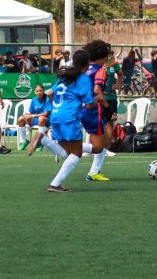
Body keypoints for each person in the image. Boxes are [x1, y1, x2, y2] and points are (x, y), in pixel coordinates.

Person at [28, 50, 93, 193]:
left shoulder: (64, 77)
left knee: (68, 154)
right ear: (87, 65)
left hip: (56, 116)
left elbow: (49, 93)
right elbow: (89, 104)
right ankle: (55, 184)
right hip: (69, 118)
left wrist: (57, 106)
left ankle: (43, 140)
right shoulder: (84, 79)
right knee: (76, 154)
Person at [79, 40, 112, 181]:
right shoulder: (100, 70)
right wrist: (107, 107)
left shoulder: (84, 68)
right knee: (98, 146)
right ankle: (61, 146)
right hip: (93, 109)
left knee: (106, 140)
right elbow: (97, 91)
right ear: (103, 55)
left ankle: (93, 172)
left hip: (80, 107)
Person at [18, 84, 51, 151]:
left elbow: (46, 114)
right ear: (34, 92)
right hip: (35, 120)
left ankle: (39, 143)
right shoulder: (34, 99)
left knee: (41, 119)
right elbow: (31, 112)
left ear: (43, 91)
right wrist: (27, 114)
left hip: (46, 121)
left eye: (40, 91)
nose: (39, 92)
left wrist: (32, 115)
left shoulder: (47, 99)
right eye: (37, 91)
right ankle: (24, 141)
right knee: (21, 119)